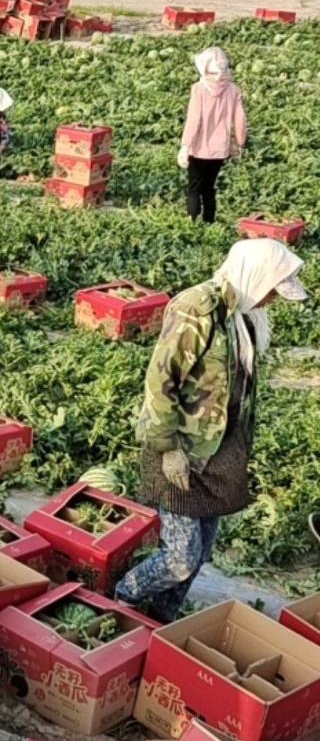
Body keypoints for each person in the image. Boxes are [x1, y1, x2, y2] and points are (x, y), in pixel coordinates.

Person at [115, 238, 306, 622]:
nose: (271, 301)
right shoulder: (196, 310)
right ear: (255, 276)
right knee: (181, 558)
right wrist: (169, 449)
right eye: (271, 290)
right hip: (181, 448)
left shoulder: (243, 314)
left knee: (200, 552)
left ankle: (160, 618)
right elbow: (161, 380)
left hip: (215, 450)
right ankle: (122, 598)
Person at [178, 47, 247, 224]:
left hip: (198, 149)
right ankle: (209, 221)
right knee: (209, 187)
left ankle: (191, 222)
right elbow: (240, 119)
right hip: (220, 150)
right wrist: (239, 143)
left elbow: (194, 120)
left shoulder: (198, 89)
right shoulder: (233, 90)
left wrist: (185, 146)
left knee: (194, 187)